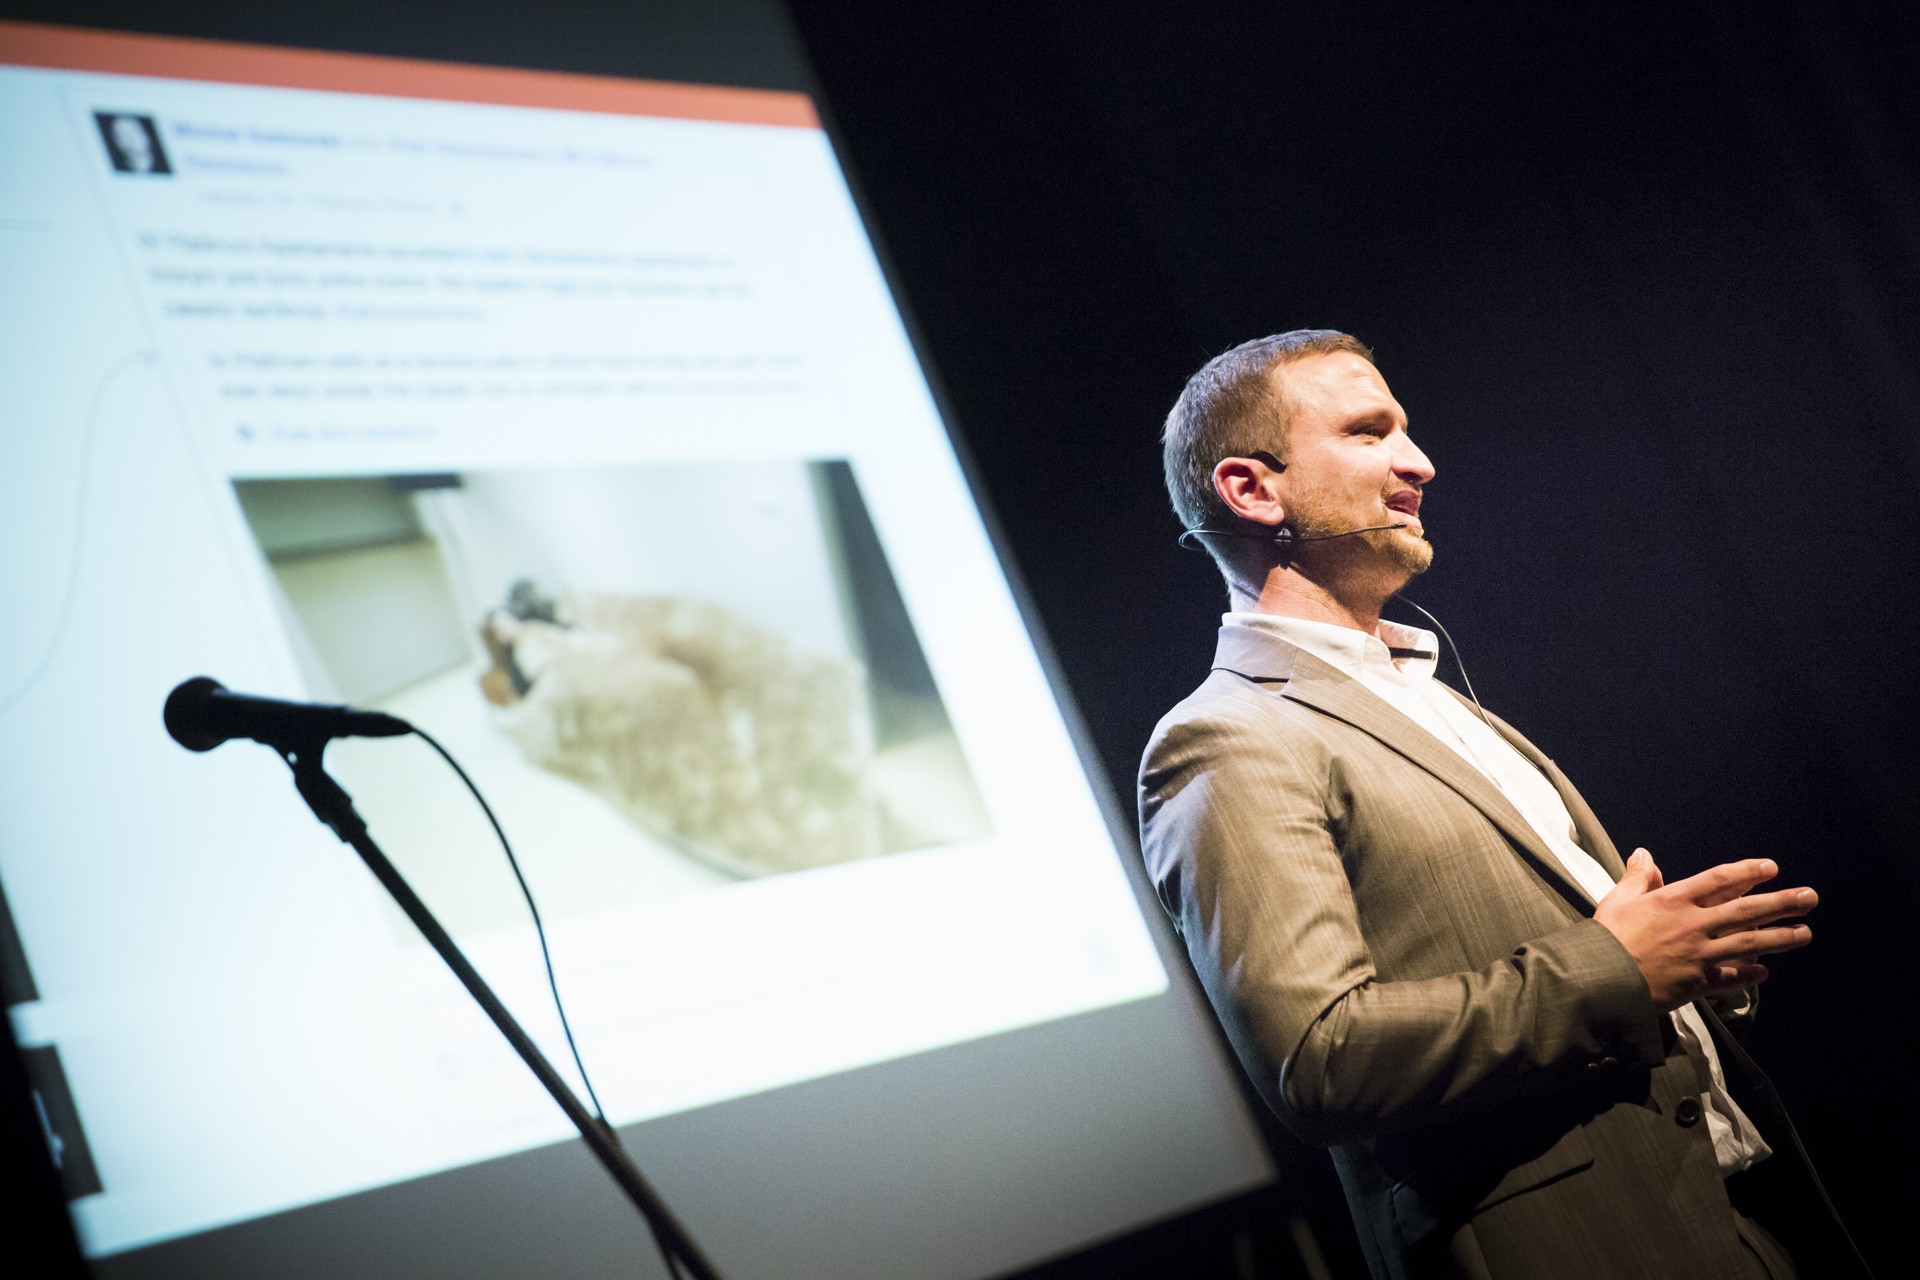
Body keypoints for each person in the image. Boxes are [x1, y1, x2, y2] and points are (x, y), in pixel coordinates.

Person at [1138, 331, 1864, 1278]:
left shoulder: (1431, 696)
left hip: (1731, 1220)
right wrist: (1616, 970)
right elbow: (1319, 1061)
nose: (1419, 463)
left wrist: (1685, 967)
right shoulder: (1228, 738)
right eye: (1369, 432)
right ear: (1251, 490)